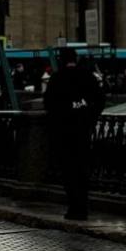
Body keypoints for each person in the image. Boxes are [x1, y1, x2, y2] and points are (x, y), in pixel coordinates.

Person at [43, 47, 103, 221]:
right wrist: (90, 118)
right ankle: (83, 207)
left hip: (64, 132)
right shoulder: (87, 76)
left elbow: (49, 104)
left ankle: (73, 208)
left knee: (68, 171)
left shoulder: (57, 78)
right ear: (75, 59)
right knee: (82, 170)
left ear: (61, 60)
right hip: (83, 130)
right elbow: (99, 100)